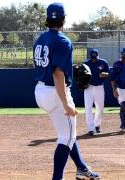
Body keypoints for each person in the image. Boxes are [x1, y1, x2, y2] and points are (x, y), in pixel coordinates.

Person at [33, 3, 100, 180]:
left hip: (40, 90)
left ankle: (81, 167)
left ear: (47, 19)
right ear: (64, 19)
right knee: (67, 138)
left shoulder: (40, 38)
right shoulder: (63, 41)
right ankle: (57, 178)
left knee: (68, 133)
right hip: (56, 93)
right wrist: (66, 104)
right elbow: (57, 75)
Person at [83, 49, 109, 136]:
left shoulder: (103, 62)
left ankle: (97, 125)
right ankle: (90, 128)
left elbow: (108, 73)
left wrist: (104, 74)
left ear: (98, 56)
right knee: (88, 108)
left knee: (100, 108)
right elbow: (80, 75)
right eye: (93, 58)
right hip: (88, 88)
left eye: (96, 57)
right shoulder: (86, 64)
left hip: (99, 87)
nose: (94, 59)